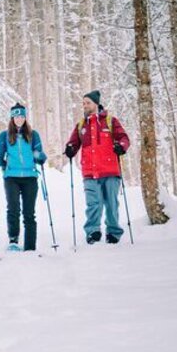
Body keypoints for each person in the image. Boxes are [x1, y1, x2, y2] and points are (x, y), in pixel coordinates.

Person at [63, 90, 130, 244]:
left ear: (96, 104)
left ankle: (113, 232)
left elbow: (124, 138)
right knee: (93, 204)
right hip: (90, 172)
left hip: (110, 171)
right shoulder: (81, 125)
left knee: (111, 204)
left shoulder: (110, 121)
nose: (85, 106)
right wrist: (70, 149)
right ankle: (93, 231)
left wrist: (122, 146)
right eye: (83, 103)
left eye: (88, 103)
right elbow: (73, 142)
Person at [0, 103, 46, 252]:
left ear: (25, 118)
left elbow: (38, 152)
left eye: (22, 116)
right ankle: (13, 240)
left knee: (29, 212)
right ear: (12, 118)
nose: (19, 119)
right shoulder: (4, 136)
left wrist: (40, 156)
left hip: (30, 177)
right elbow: (0, 156)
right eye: (16, 116)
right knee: (13, 209)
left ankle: (30, 246)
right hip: (11, 177)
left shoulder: (33, 135)